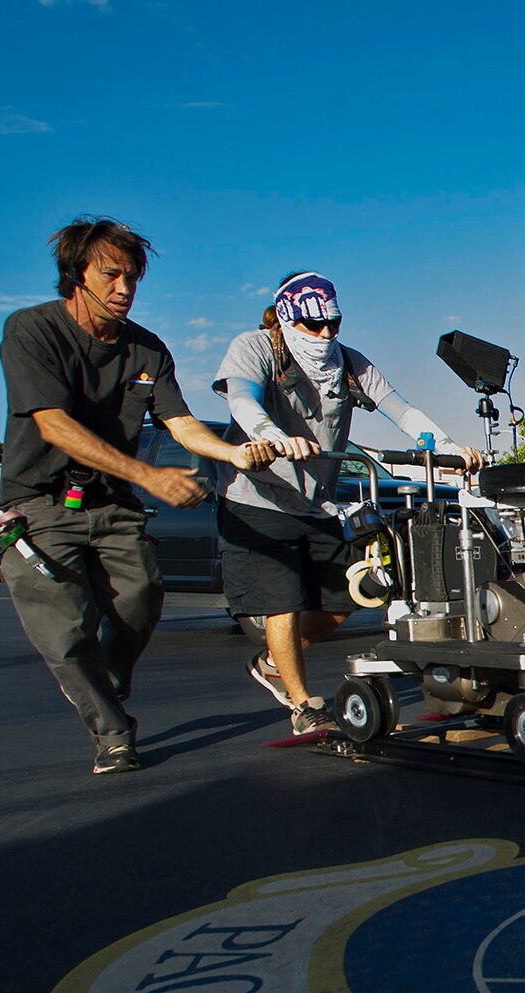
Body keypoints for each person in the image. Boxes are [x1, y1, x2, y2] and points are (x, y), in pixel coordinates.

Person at [0, 217, 276, 775]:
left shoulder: (147, 349)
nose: (124, 288)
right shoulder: (32, 330)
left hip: (110, 503)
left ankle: (105, 683)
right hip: (39, 505)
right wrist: (149, 477)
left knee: (144, 596)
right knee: (67, 629)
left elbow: (179, 422)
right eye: (111, 274)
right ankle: (113, 732)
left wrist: (234, 453)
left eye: (132, 277)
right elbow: (54, 425)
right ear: (76, 274)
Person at [213, 272, 485, 733]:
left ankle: (275, 662)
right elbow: (243, 398)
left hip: (313, 500)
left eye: (333, 325)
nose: (325, 336)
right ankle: (303, 707)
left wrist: (447, 445)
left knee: (349, 597)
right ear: (286, 319)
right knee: (283, 601)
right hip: (256, 498)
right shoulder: (256, 347)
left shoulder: (349, 363)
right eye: (313, 326)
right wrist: (272, 435)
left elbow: (401, 409)